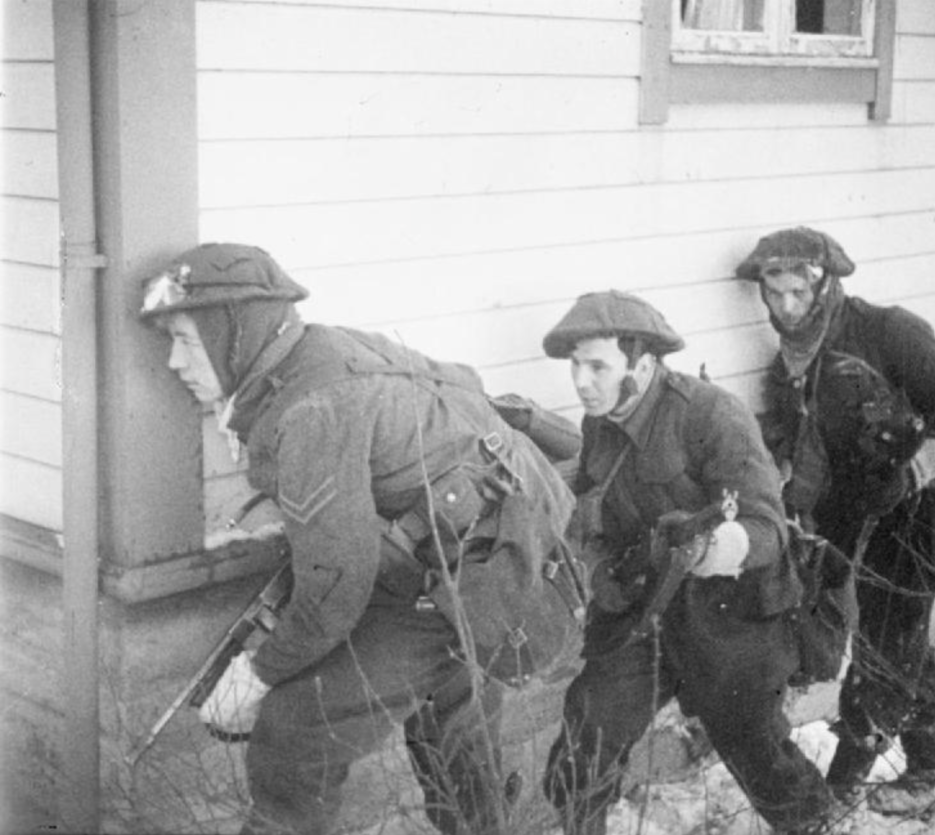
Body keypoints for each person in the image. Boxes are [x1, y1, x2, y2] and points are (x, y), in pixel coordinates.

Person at [139, 242, 586, 835]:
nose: (175, 362)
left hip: (475, 577)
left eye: (186, 341)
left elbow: (336, 589)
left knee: (297, 730)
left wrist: (260, 673)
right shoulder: (322, 350)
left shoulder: (312, 407)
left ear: (234, 334)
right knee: (451, 715)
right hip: (487, 559)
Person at [540, 290, 834, 835]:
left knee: (758, 753)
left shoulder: (710, 413)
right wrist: (600, 571)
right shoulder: (598, 425)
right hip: (644, 612)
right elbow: (593, 516)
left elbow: (767, 527)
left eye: (597, 366)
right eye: (576, 366)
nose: (581, 381)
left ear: (643, 364)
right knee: (587, 736)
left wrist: (716, 548)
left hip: (729, 616)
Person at [736, 227, 935, 804]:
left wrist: (914, 468)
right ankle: (927, 765)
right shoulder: (787, 367)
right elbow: (799, 447)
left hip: (914, 517)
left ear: (825, 285)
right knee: (897, 637)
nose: (786, 308)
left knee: (882, 645)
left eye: (798, 292)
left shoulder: (888, 330)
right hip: (851, 526)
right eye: (774, 294)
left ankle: (841, 787)